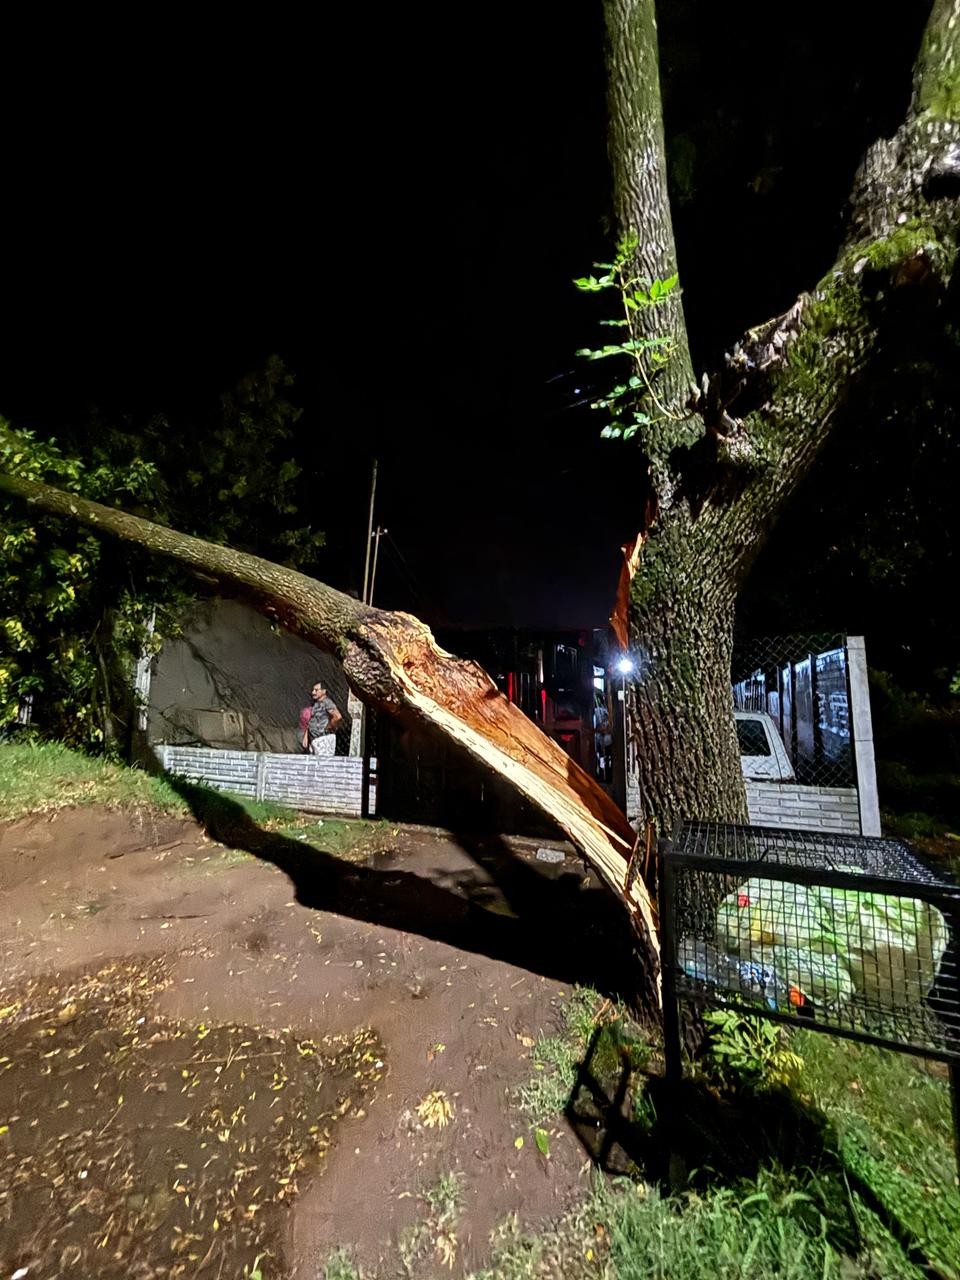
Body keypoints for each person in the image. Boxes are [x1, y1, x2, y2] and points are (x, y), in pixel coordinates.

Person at [299, 681, 342, 755]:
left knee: (323, 763)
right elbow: (311, 721)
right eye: (313, 690)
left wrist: (328, 727)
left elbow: (337, 717)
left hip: (324, 739)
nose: (313, 692)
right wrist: (306, 736)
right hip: (315, 739)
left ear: (324, 691)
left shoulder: (327, 702)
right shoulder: (316, 704)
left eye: (316, 690)